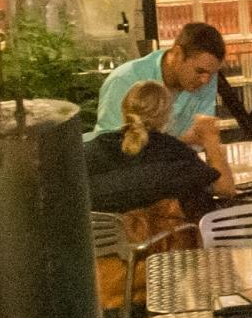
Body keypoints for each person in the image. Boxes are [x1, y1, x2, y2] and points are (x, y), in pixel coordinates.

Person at [84, 81, 220, 234]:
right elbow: (222, 188)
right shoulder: (174, 153)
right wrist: (210, 139)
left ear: (124, 110)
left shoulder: (87, 155)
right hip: (164, 253)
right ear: (167, 116)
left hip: (104, 252)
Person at [93, 22, 227, 165]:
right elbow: (110, 149)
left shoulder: (205, 78)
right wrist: (178, 143)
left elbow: (200, 140)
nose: (206, 80)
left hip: (174, 170)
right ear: (177, 54)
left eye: (211, 74)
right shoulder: (124, 80)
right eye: (199, 71)